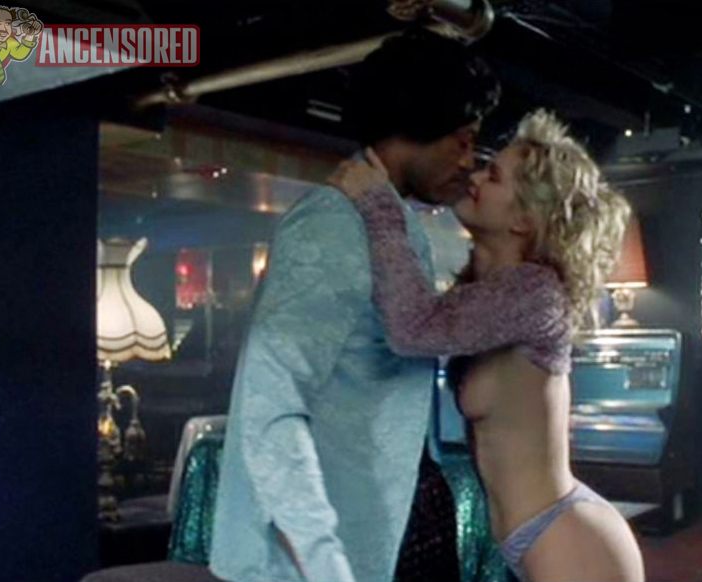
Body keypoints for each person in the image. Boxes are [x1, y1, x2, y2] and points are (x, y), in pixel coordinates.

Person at [209, 29, 500, 582]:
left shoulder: (391, 220)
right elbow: (271, 407)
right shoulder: (332, 223)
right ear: (414, 126)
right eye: (462, 140)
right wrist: (319, 562)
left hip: (390, 514)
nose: (469, 161)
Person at [329, 109, 645, 582]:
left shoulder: (535, 292)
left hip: (565, 535)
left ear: (524, 218)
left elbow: (412, 328)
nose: (474, 177)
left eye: (493, 176)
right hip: (532, 534)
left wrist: (377, 203)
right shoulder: (491, 291)